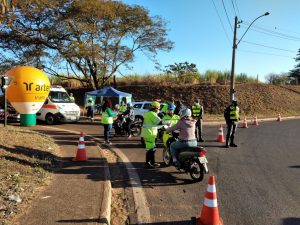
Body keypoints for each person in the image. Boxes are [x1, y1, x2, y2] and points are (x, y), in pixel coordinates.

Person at [141, 101, 162, 169]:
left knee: (152, 149)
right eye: (158, 108)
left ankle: (152, 162)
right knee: (150, 149)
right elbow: (159, 122)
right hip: (150, 134)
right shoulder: (152, 114)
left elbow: (153, 124)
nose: (159, 110)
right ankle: (147, 164)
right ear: (156, 108)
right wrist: (168, 122)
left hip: (148, 133)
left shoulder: (147, 113)